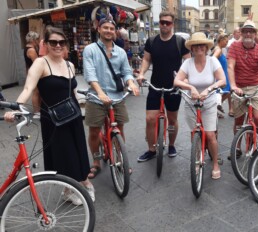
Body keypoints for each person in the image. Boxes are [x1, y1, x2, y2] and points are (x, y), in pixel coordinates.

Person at [4, 27, 95, 205]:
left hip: (72, 115)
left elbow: (72, 91)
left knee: (78, 151)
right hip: (53, 119)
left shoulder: (69, 64)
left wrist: (82, 106)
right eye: (53, 42)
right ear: (45, 44)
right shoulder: (40, 63)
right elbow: (29, 88)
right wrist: (17, 108)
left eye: (61, 42)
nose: (58, 45)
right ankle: (75, 186)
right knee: (64, 155)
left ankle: (77, 186)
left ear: (66, 44)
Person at [82, 18, 140, 179]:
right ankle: (96, 161)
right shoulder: (90, 50)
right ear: (98, 29)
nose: (108, 31)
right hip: (96, 96)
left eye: (111, 28)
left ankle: (120, 158)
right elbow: (89, 73)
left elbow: (126, 71)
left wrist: (130, 83)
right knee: (94, 131)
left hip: (117, 96)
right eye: (105, 28)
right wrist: (100, 92)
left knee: (119, 130)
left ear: (115, 32)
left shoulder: (120, 52)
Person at [136, 11, 191, 162]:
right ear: (159, 23)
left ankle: (171, 145)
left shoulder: (180, 42)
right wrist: (141, 73)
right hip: (154, 85)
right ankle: (151, 149)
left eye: (168, 22)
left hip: (174, 87)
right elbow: (147, 59)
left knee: (172, 119)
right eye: (162, 22)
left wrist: (185, 79)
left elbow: (188, 63)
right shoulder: (152, 41)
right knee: (150, 119)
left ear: (172, 24)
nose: (165, 25)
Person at [174, 32, 226, 179]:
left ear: (206, 47)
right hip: (192, 103)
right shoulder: (188, 63)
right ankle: (197, 159)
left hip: (208, 102)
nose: (199, 48)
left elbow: (222, 80)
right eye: (195, 45)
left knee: (210, 135)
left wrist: (209, 89)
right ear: (192, 48)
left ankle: (215, 163)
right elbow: (177, 81)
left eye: (201, 45)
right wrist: (190, 87)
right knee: (195, 133)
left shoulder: (212, 61)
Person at [227, 19, 258, 158]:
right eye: (245, 31)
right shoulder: (234, 46)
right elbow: (230, 66)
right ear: (241, 33)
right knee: (239, 120)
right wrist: (233, 86)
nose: (248, 33)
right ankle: (237, 147)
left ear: (255, 34)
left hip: (255, 87)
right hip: (239, 87)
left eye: (251, 31)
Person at [213, 33, 231, 118]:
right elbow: (213, 59)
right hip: (220, 75)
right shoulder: (218, 50)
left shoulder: (219, 48)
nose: (227, 43)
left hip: (223, 74)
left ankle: (216, 107)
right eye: (226, 41)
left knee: (226, 92)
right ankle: (215, 107)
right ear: (221, 40)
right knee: (224, 92)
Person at [24, 31, 41, 112]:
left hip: (32, 72)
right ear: (33, 40)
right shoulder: (31, 50)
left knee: (37, 92)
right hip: (34, 73)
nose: (38, 41)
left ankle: (38, 110)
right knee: (36, 92)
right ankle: (36, 112)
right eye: (37, 39)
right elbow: (36, 62)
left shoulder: (27, 47)